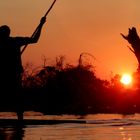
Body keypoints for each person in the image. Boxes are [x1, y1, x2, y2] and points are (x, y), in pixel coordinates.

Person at [0, 16, 46, 121]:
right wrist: (41, 24)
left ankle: (20, 121)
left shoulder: (15, 41)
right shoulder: (15, 41)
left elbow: (34, 40)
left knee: (17, 99)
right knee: (15, 98)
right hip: (7, 75)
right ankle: (19, 120)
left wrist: (41, 25)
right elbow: (34, 39)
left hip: (13, 75)